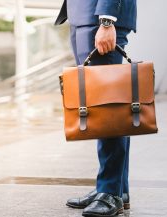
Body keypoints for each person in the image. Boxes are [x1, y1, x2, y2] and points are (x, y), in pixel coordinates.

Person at [55, 0, 137, 217]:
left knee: (108, 108)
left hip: (99, 15)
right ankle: (117, 189)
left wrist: (107, 20)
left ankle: (110, 192)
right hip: (83, 16)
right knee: (103, 108)